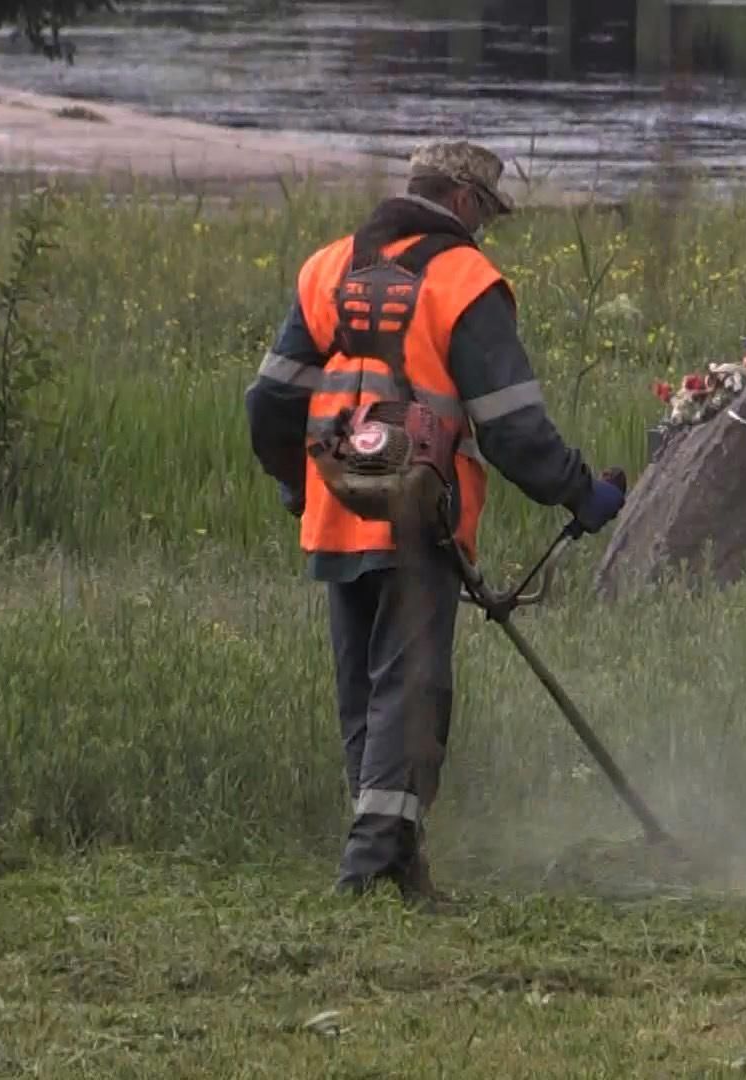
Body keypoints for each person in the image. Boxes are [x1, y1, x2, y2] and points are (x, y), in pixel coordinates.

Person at [243, 140, 626, 904]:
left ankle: (398, 865)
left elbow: (269, 404)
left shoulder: (328, 267)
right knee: (411, 695)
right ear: (458, 201)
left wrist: (298, 487)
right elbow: (513, 428)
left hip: (337, 510)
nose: (483, 229)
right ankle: (366, 874)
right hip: (420, 515)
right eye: (483, 211)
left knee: (367, 695)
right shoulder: (464, 279)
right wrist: (582, 493)